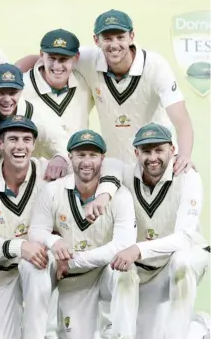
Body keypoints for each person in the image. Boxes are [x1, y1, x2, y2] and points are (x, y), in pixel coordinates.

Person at [14, 10, 195, 172]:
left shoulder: (156, 66)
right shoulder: (88, 59)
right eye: (107, 38)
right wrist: (7, 75)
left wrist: (185, 155)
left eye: (120, 37)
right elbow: (42, 58)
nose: (114, 44)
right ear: (96, 40)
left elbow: (182, 121)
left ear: (132, 36)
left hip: (155, 159)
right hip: (115, 165)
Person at [29, 129, 139, 339]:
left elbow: (121, 247)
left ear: (102, 159)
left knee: (125, 272)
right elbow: (36, 231)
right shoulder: (53, 190)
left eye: (93, 155)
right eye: (80, 155)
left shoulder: (120, 196)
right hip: (74, 281)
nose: (86, 162)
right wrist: (55, 240)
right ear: (69, 157)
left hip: (104, 272)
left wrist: (71, 261)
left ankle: (123, 334)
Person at [0, 115, 65, 339]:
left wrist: (63, 157)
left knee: (35, 265)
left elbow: (94, 168)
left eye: (26, 139)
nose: (20, 146)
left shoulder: (49, 173)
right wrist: (21, 247)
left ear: (34, 145)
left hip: (39, 268)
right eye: (13, 139)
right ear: (0, 144)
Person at [110, 123, 211, 339]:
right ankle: (199, 327)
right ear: (136, 153)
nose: (153, 157)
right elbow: (105, 165)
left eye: (159, 150)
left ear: (172, 150)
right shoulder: (126, 175)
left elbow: (184, 239)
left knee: (181, 261)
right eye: (146, 151)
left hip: (186, 257)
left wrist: (137, 249)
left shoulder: (188, 177)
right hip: (147, 267)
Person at [0, 63, 69, 179]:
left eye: (13, 93)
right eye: (0, 92)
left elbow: (66, 146)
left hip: (29, 178)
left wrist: (61, 158)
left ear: (21, 91)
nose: (7, 100)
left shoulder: (39, 117)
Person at [22, 29, 94, 136]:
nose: (57, 66)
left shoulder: (86, 82)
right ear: (42, 55)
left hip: (77, 152)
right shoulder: (22, 87)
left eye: (63, 59)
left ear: (76, 57)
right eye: (51, 58)